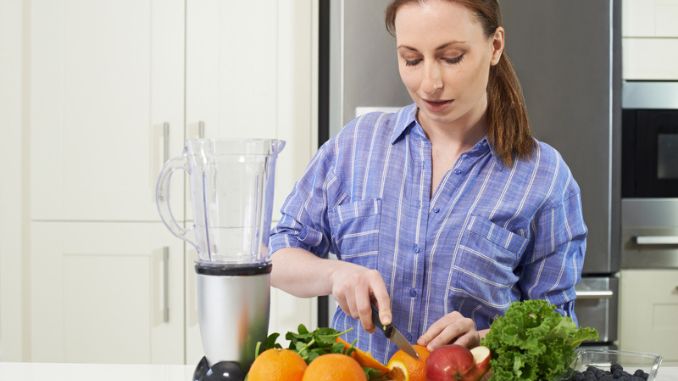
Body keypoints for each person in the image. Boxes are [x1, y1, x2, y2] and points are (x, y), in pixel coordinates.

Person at [269, 0, 587, 365]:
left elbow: (559, 328)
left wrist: (489, 337)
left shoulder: (543, 177)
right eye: (411, 59)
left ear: (495, 46)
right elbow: (277, 254)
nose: (430, 83)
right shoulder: (356, 146)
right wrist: (334, 272)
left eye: (452, 57)